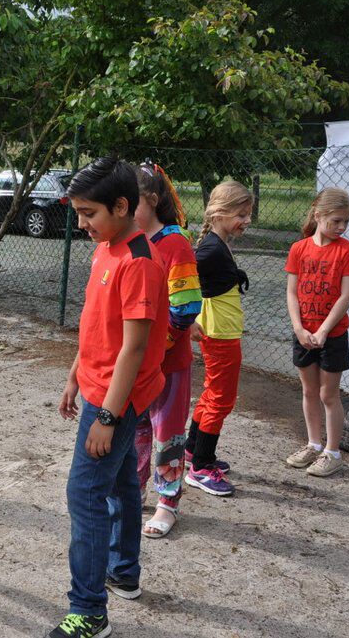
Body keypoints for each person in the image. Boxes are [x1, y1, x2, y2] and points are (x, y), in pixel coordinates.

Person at [48, 157, 169, 638]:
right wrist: (75, 375)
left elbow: (134, 348)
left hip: (116, 400)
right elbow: (98, 324)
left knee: (84, 494)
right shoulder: (106, 247)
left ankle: (89, 611)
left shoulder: (139, 262)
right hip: (99, 387)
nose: (82, 224)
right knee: (119, 483)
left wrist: (107, 417)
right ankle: (123, 571)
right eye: (78, 213)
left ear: (121, 206)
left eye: (89, 213)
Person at [132, 161, 201, 538]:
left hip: (167, 363)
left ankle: (168, 503)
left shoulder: (174, 244)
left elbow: (186, 308)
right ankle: (135, 487)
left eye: (133, 202)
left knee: (168, 432)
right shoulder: (133, 242)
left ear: (153, 200)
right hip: (137, 362)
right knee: (138, 427)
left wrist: (156, 351)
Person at [284, 188, 349, 476]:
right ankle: (313, 445)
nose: (342, 227)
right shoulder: (299, 249)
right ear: (318, 215)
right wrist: (299, 328)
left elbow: (346, 296)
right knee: (309, 390)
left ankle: (332, 452)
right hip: (304, 334)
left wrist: (325, 330)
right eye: (336, 221)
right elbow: (292, 292)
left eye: (346, 222)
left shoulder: (347, 251)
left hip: (333, 335)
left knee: (329, 394)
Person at [184, 181, 253, 497]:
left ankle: (192, 451)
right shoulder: (210, 250)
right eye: (241, 214)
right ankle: (201, 467)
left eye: (248, 214)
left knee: (212, 393)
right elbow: (179, 280)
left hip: (221, 331)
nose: (246, 221)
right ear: (219, 213)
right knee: (221, 399)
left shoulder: (216, 243)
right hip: (220, 335)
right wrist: (187, 321)